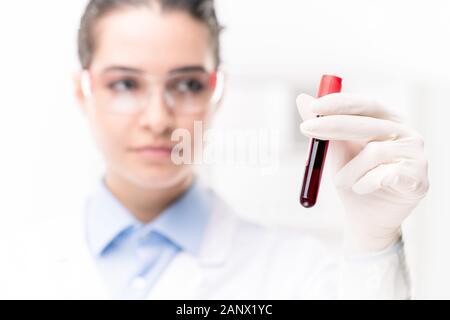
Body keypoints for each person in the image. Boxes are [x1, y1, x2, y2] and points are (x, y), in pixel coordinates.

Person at [3, 0, 429, 299]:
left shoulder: (295, 273)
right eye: (125, 84)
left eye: (187, 84)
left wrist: (375, 243)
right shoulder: (17, 269)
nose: (157, 118)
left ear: (217, 91)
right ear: (82, 90)